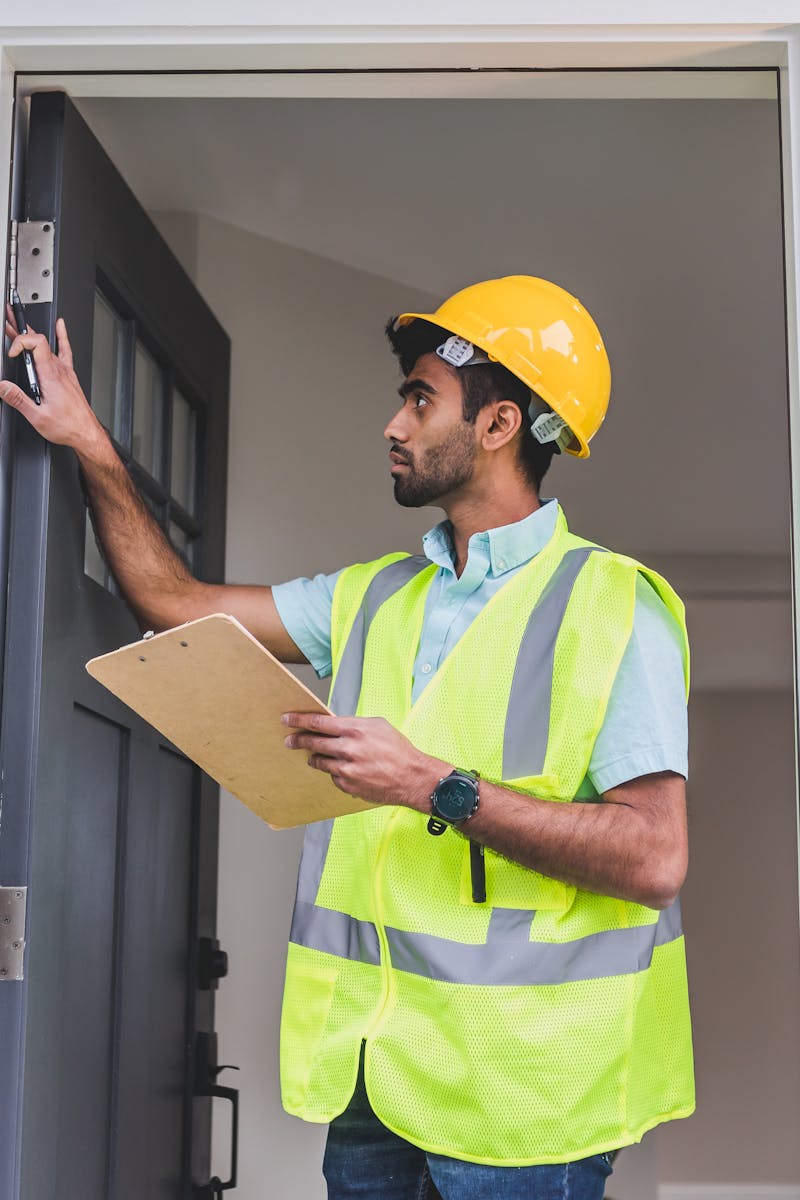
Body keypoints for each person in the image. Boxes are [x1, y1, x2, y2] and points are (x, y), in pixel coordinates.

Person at [1, 275, 693, 1200]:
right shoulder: (371, 596)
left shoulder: (615, 607)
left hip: (526, 1102)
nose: (393, 425)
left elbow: (654, 856)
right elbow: (174, 605)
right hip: (373, 1078)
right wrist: (89, 442)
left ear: (498, 426)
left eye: (419, 399)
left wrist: (432, 784)